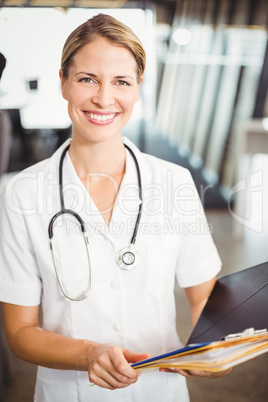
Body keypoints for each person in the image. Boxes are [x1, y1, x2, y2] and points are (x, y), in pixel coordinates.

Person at [0, 14, 228, 402]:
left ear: (138, 87)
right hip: (70, 393)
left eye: (121, 81)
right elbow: (20, 333)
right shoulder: (23, 193)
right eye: (87, 79)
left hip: (162, 388)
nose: (104, 99)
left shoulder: (173, 182)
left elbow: (205, 297)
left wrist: (212, 348)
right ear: (63, 83)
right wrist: (89, 354)